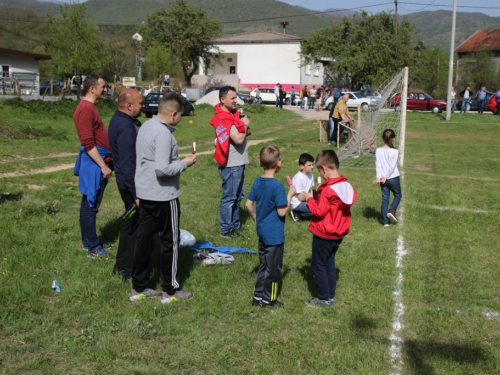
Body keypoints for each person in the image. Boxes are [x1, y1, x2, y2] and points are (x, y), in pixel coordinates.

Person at [130, 92, 196, 303]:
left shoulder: (146, 126)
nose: (180, 120)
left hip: (145, 193)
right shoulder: (164, 134)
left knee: (144, 240)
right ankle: (171, 290)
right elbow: (163, 169)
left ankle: (138, 287)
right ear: (174, 114)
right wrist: (185, 163)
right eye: (181, 116)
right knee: (171, 241)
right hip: (164, 196)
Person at [304, 149, 357, 307]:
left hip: (324, 234)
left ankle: (323, 298)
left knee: (318, 265)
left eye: (320, 170)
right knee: (329, 263)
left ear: (324, 169)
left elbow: (319, 211)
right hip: (338, 234)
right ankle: (330, 295)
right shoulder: (346, 185)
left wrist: (309, 199)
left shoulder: (327, 190)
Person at [245, 145, 296, 308]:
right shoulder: (277, 187)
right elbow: (282, 212)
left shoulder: (257, 181)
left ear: (260, 162)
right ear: (279, 164)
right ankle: (269, 300)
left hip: (262, 232)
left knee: (264, 265)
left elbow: (248, 204)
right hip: (274, 236)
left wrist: (256, 218)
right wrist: (290, 195)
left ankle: (257, 297)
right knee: (273, 270)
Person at [73, 74, 114, 259]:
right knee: (91, 205)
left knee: (89, 204)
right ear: (92, 88)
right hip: (94, 164)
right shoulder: (86, 109)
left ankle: (89, 241)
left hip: (97, 162)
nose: (105, 89)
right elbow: (88, 143)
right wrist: (103, 166)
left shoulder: (90, 107)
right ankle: (93, 248)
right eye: (102, 86)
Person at [107, 89, 143, 282]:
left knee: (129, 226)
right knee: (136, 229)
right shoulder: (126, 127)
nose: (142, 105)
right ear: (129, 105)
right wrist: (137, 195)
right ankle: (129, 271)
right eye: (140, 103)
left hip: (126, 182)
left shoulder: (118, 120)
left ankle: (120, 265)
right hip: (131, 185)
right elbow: (128, 164)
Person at [209, 86, 251, 238]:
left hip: (238, 163)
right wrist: (244, 124)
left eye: (236, 98)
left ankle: (235, 225)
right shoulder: (223, 118)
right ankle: (226, 230)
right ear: (222, 99)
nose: (235, 101)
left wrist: (243, 123)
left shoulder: (233, 115)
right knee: (230, 197)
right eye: (232, 98)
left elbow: (248, 133)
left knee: (238, 196)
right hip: (231, 164)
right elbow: (239, 139)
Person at [373, 129, 402, 227]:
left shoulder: (378, 150)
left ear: (382, 139)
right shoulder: (395, 151)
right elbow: (392, 166)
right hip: (392, 178)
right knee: (398, 195)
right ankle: (392, 211)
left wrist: (379, 177)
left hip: (383, 179)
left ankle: (385, 221)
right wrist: (386, 176)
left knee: (385, 198)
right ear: (393, 139)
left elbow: (378, 165)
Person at [289, 153, 315, 223]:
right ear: (302, 166)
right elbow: (300, 198)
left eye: (312, 164)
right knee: (317, 209)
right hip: (298, 203)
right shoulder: (298, 178)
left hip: (305, 199)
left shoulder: (310, 175)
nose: (312, 167)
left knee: (319, 210)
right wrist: (311, 199)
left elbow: (309, 189)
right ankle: (296, 212)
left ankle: (300, 214)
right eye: (309, 165)